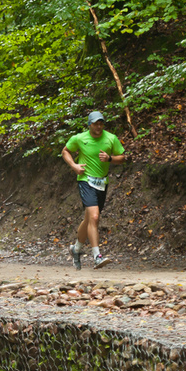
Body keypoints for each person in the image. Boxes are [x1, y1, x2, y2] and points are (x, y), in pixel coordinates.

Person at [62, 111, 126, 270]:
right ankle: (97, 256)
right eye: (96, 123)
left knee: (90, 219)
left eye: (101, 123)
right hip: (86, 181)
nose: (99, 126)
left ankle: (76, 249)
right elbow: (65, 151)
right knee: (95, 217)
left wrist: (110, 158)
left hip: (102, 183)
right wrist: (74, 166)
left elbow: (122, 157)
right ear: (89, 124)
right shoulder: (79, 138)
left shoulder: (110, 138)